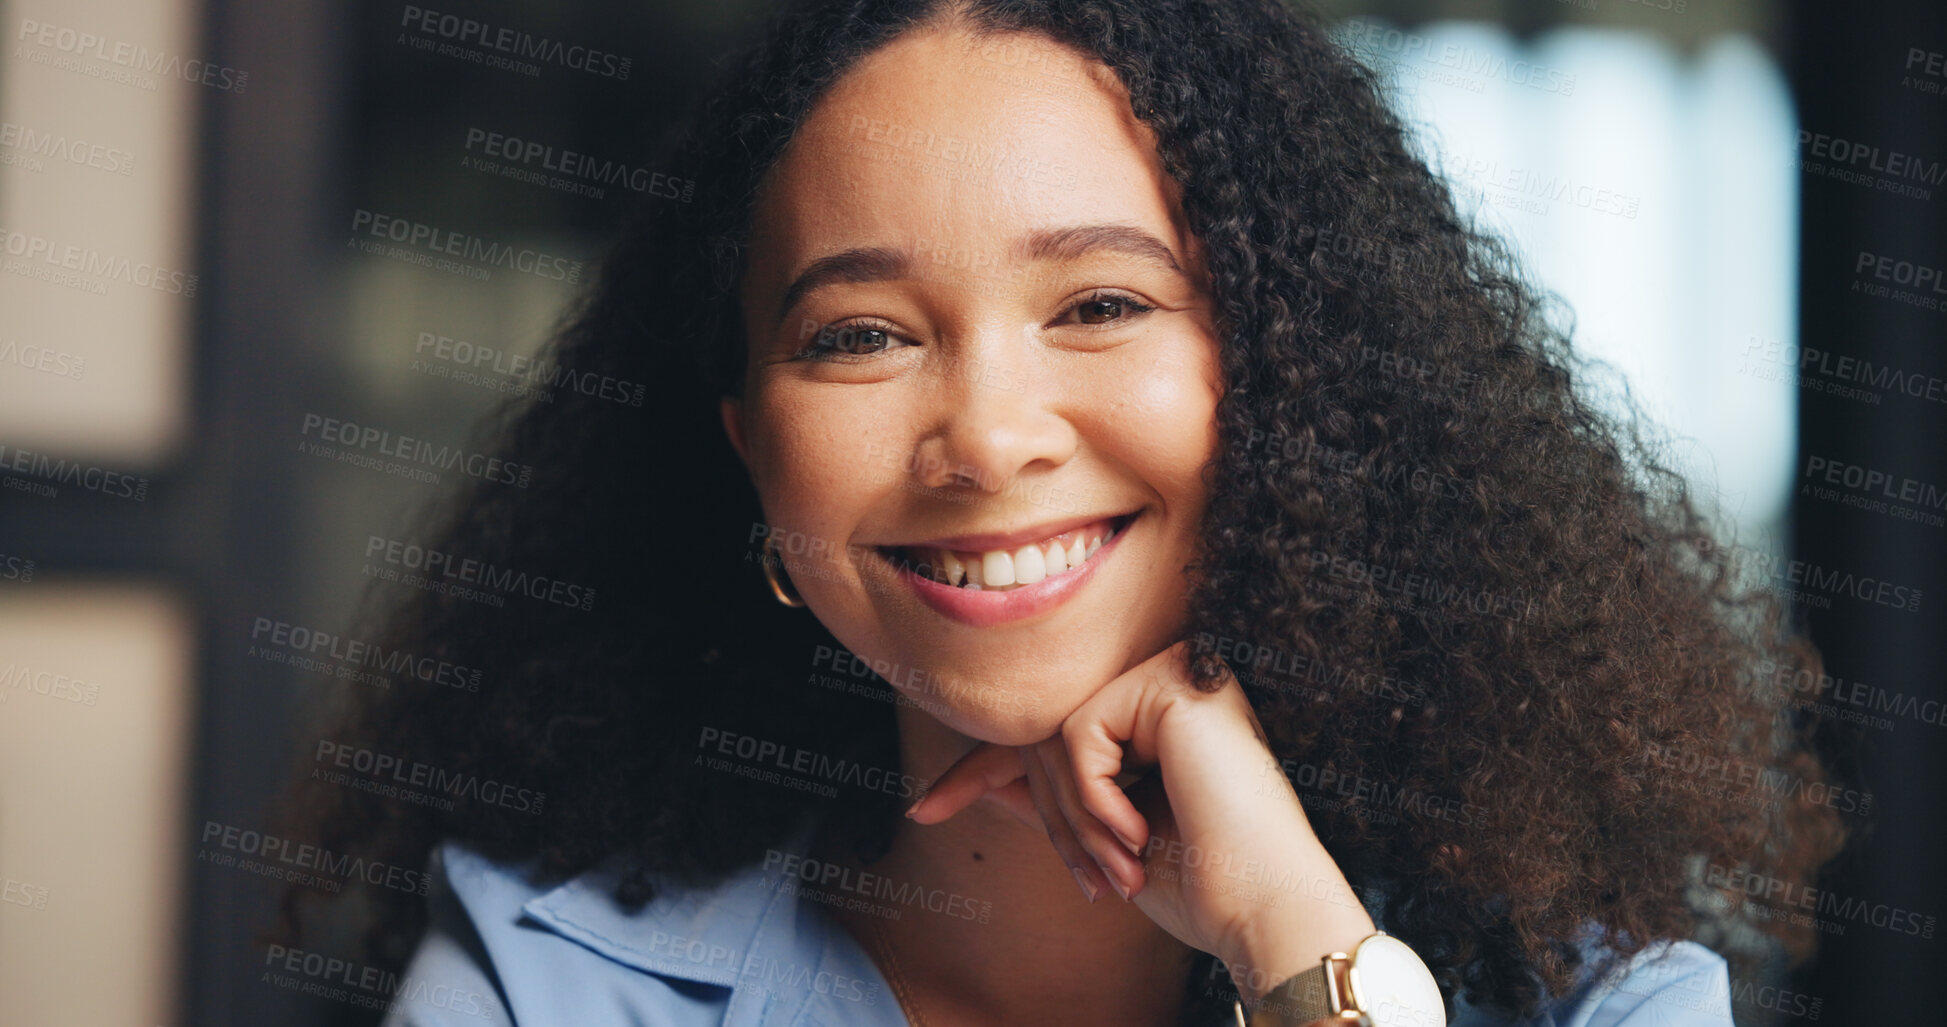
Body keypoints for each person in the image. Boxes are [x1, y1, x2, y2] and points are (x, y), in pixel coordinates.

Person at [288, 1, 1846, 1024]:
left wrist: (1297, 947)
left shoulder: (1600, 994)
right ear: (753, 454)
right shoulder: (544, 988)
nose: (987, 435)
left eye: (1099, 303)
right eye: (861, 335)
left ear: (1290, 386)